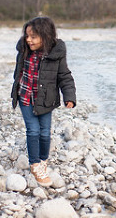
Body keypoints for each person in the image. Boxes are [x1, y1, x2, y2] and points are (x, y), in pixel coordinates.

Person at [11, 16, 76, 185]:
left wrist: (69, 96)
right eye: (27, 36)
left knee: (45, 132)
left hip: (46, 99)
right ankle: (35, 164)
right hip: (25, 95)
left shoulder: (55, 54)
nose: (29, 40)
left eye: (33, 37)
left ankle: (43, 160)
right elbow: (18, 70)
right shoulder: (24, 50)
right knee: (33, 130)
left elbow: (64, 76)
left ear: (45, 36)